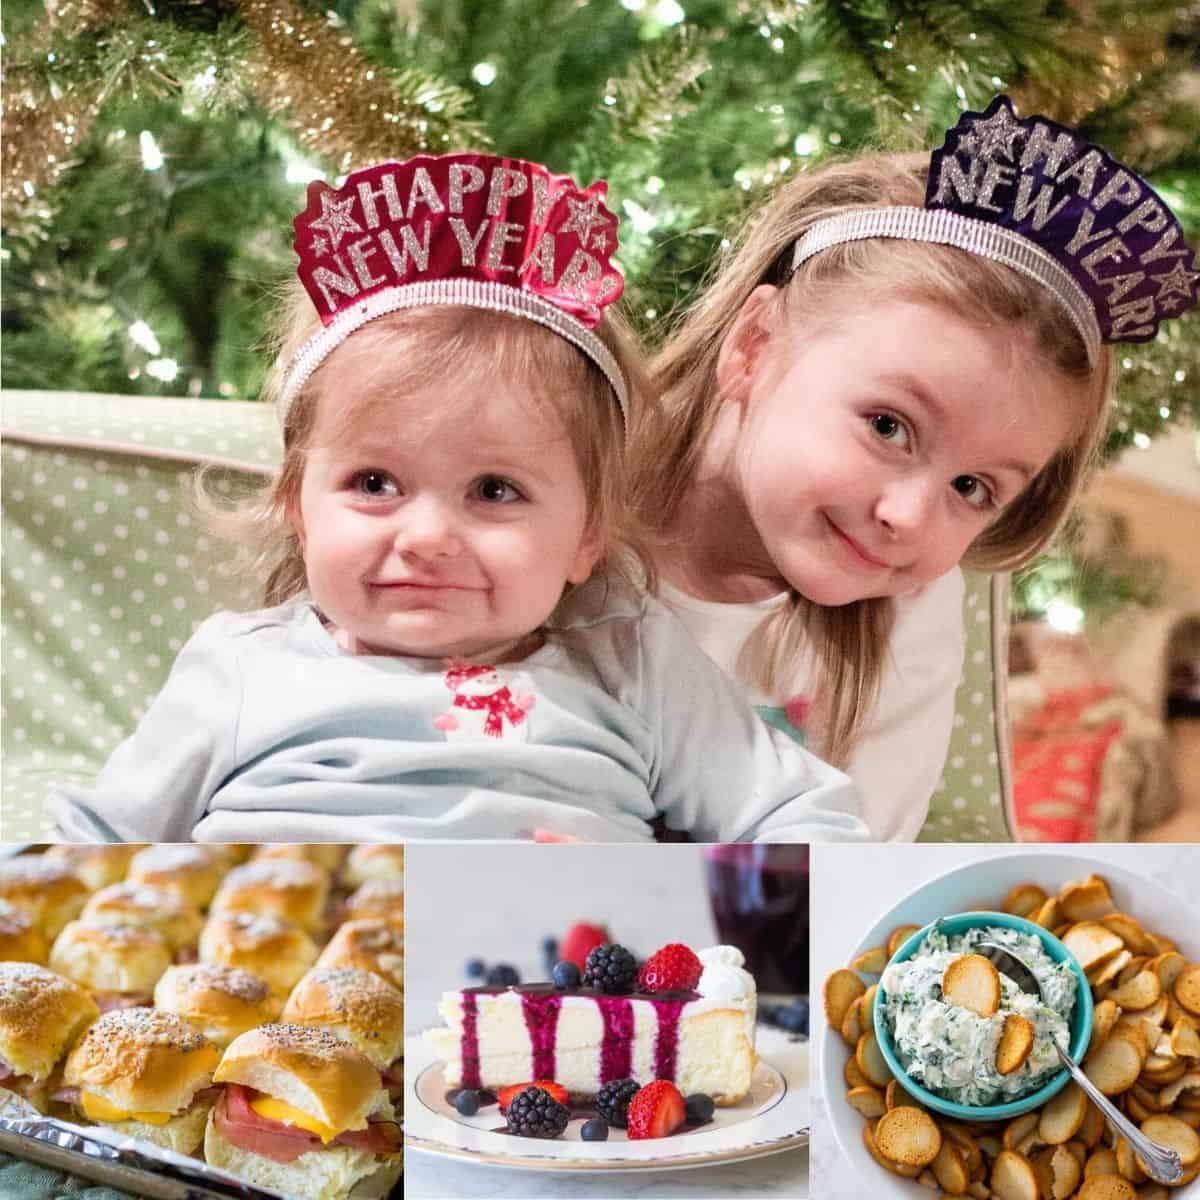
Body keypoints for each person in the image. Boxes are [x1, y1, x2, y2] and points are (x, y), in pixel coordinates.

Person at [53, 152, 867, 845]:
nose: (428, 536)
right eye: (374, 485)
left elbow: (798, 811)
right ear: (299, 506)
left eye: (494, 491)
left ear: (587, 534)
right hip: (292, 987)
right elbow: (95, 841)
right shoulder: (243, 667)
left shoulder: (630, 660)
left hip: (554, 995)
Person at [632, 96, 1198, 840]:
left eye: (973, 488)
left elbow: (848, 871)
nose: (908, 517)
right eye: (889, 427)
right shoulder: (546, 511)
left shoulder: (910, 614)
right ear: (754, 346)